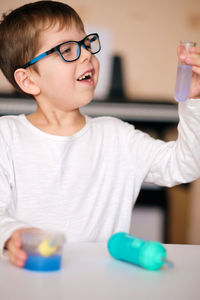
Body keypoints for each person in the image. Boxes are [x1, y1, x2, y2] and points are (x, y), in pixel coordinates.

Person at [0, 1, 200, 268]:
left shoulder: (116, 136)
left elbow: (185, 165)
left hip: (101, 282)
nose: (86, 55)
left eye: (86, 44)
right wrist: (14, 234)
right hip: (32, 278)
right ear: (29, 80)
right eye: (68, 49)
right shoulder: (7, 137)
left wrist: (194, 101)